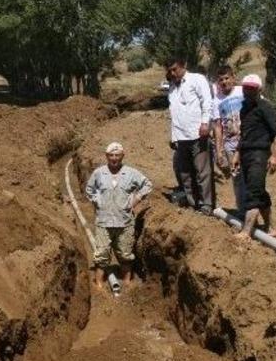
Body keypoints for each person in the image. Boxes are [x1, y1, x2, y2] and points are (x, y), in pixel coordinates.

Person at [85, 142, 153, 290]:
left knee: (125, 254)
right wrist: (98, 201)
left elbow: (147, 184)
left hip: (125, 222)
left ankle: (127, 282)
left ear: (122, 156)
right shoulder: (98, 173)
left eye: (117, 155)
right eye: (111, 155)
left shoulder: (131, 173)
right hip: (104, 222)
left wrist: (136, 200)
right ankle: (98, 284)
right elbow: (89, 190)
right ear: (106, 156)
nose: (114, 158)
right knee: (102, 254)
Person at [231, 74, 276, 241]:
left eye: (252, 88)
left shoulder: (265, 108)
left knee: (253, 192)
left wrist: (275, 156)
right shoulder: (244, 109)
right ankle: (270, 227)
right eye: (246, 88)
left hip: (259, 155)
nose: (248, 91)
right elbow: (244, 135)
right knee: (258, 190)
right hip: (246, 154)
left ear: (259, 89)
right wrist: (237, 154)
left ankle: (246, 232)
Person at [165, 56, 215, 215]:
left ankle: (206, 205)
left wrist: (205, 123)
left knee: (202, 172)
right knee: (185, 172)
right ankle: (193, 203)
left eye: (175, 69)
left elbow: (207, 102)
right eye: (170, 70)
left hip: (197, 134)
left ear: (183, 65)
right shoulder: (172, 88)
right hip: (181, 137)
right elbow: (174, 113)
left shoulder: (197, 79)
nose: (173, 73)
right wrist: (173, 136)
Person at [212, 65, 246, 218]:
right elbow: (218, 127)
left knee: (251, 178)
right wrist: (219, 150)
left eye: (227, 78)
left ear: (233, 77)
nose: (224, 82)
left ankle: (255, 211)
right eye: (221, 80)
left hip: (248, 142)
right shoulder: (216, 101)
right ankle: (242, 211)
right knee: (237, 180)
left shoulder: (243, 91)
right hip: (230, 145)